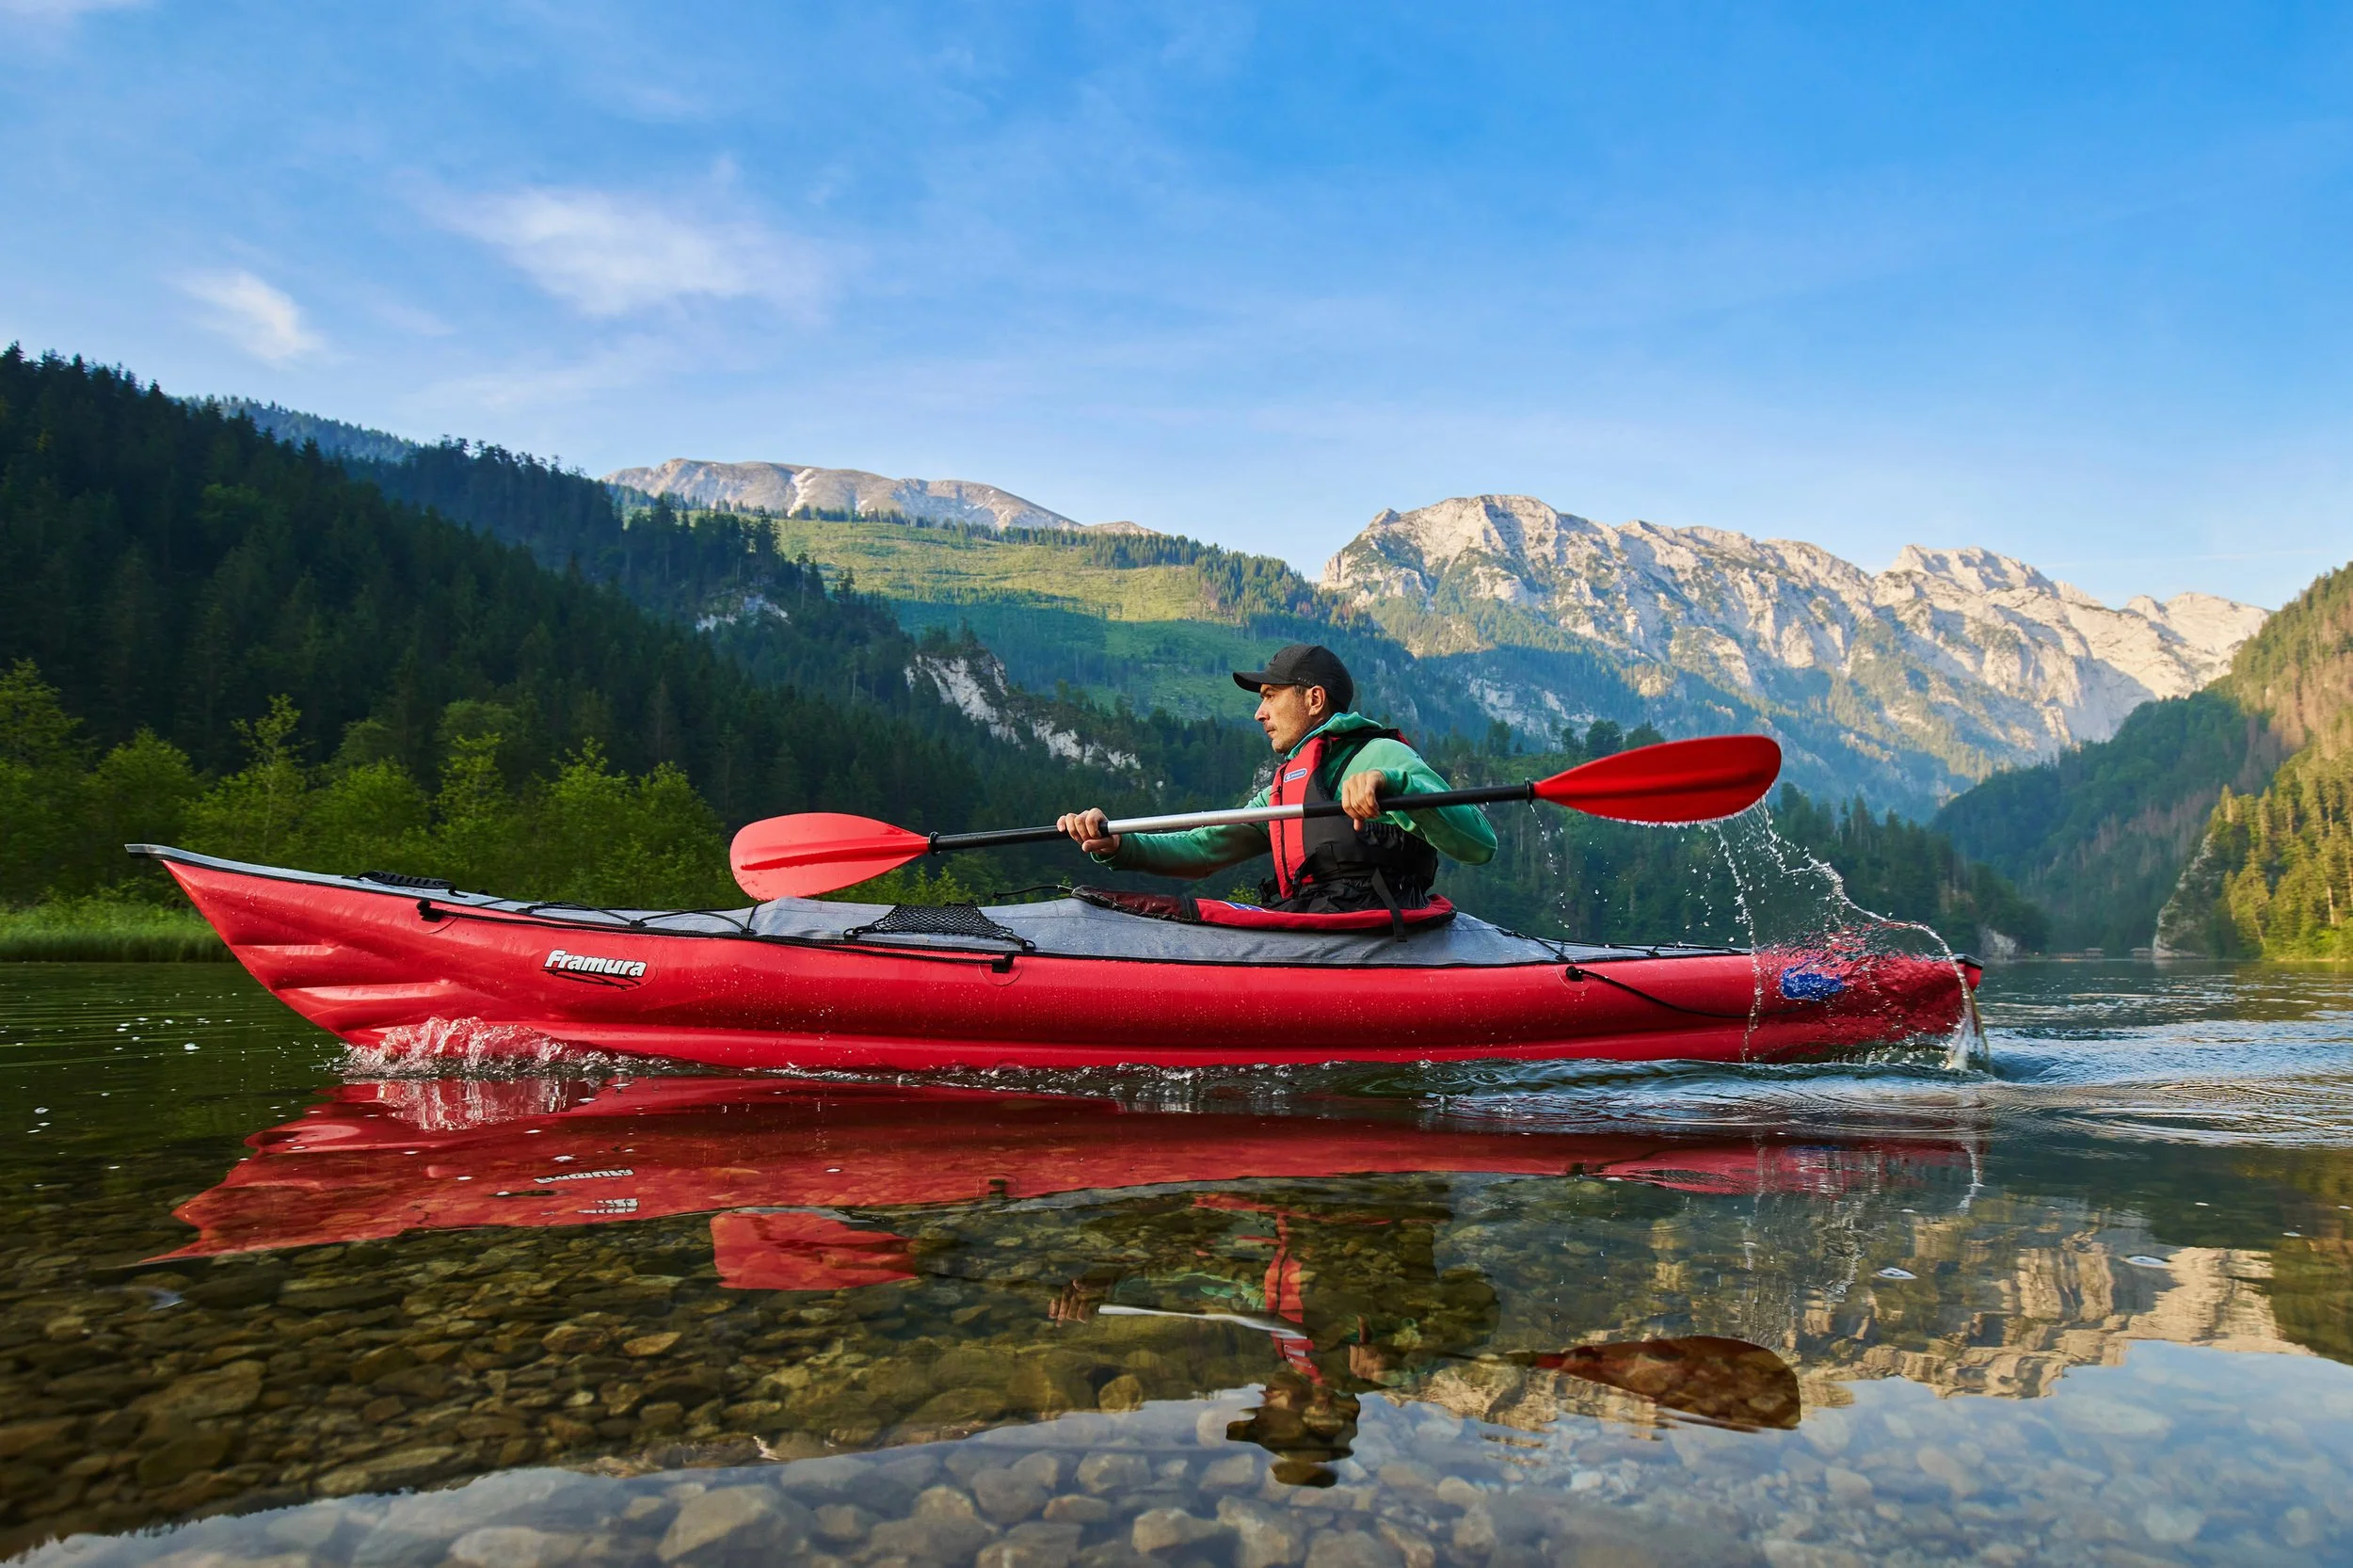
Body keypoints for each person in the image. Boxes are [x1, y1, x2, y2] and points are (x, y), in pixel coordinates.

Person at [1056, 644, 1497, 915]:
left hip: (1379, 939)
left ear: (1314, 699)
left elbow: (1479, 844)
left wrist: (1395, 785)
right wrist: (1119, 846)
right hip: (1314, 929)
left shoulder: (1382, 755)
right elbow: (1202, 848)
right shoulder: (1285, 787)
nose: (1259, 713)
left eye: (1270, 696)